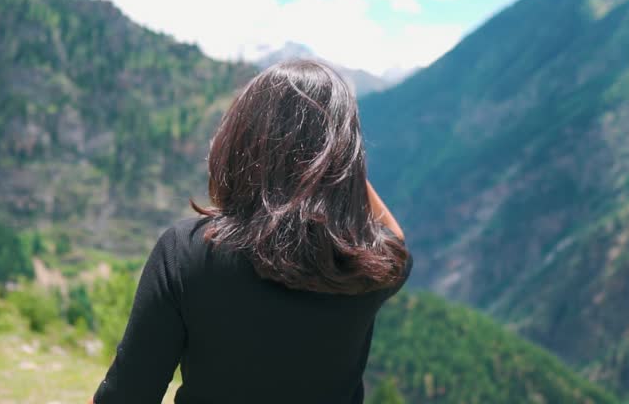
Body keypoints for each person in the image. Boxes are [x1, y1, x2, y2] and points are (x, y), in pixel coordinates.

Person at [90, 60, 412, 404]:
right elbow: (394, 236)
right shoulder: (366, 267)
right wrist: (338, 165)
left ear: (240, 138)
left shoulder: (186, 252)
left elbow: (126, 395)